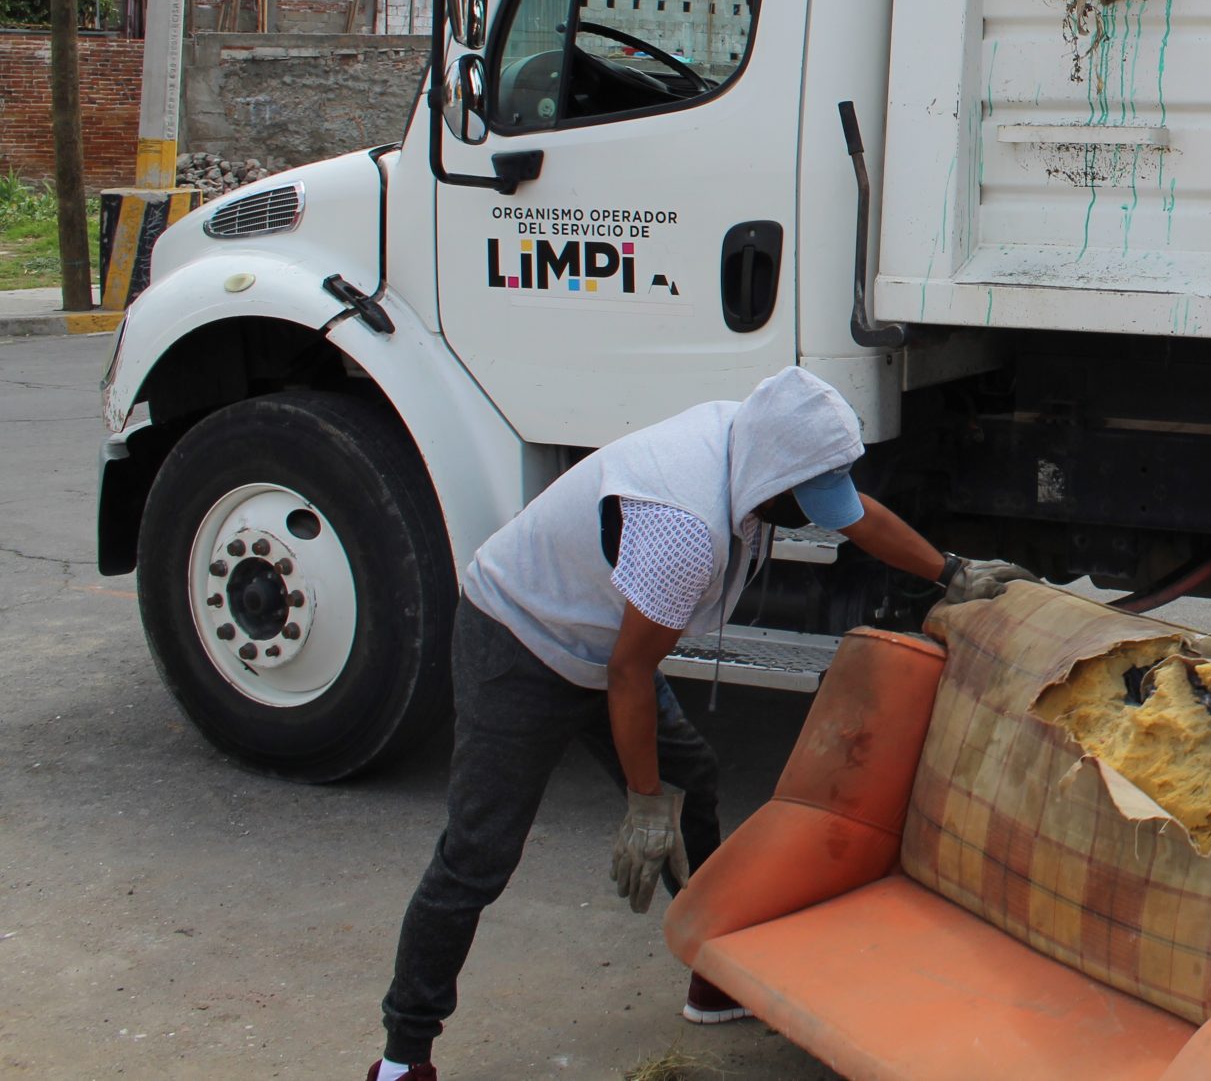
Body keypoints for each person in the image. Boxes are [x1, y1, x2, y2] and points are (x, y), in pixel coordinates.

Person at [366, 366, 1031, 1081]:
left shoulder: (752, 438)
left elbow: (856, 514)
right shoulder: (683, 527)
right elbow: (630, 672)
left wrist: (949, 570)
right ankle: (403, 1055)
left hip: (602, 637)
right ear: (772, 473)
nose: (812, 515)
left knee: (696, 778)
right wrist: (645, 801)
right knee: (478, 854)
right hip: (521, 638)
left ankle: (713, 969)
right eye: (802, 501)